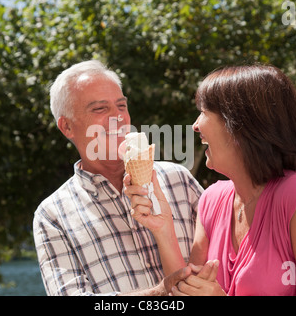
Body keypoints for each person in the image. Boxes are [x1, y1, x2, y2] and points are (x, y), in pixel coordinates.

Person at [125, 64, 296, 296]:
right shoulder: (212, 199)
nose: (195, 125)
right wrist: (163, 229)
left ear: (238, 125)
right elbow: (188, 293)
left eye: (203, 112)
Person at [32, 60, 204, 295]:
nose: (119, 118)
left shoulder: (179, 180)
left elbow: (227, 261)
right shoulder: (52, 215)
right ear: (67, 127)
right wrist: (161, 293)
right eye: (100, 109)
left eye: (121, 106)